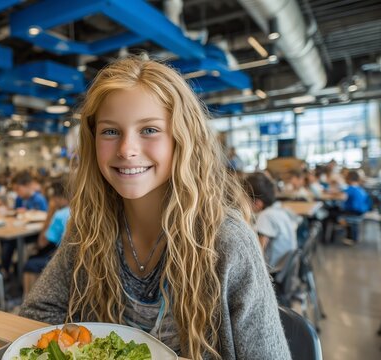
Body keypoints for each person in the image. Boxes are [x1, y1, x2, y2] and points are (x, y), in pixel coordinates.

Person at [20, 57, 289, 359]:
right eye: (110, 131)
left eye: (149, 130)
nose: (126, 149)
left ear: (182, 139)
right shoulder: (89, 228)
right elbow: (37, 314)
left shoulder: (227, 241)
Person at [23, 180, 71, 294]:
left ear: (56, 198)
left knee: (30, 264)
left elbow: (42, 243)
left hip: (62, 260)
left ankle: (28, 298)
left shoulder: (60, 215)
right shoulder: (77, 211)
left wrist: (50, 212)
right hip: (72, 258)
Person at [243, 173, 298, 268]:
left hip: (274, 270)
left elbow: (258, 253)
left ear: (257, 203)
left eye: (244, 199)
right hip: (286, 268)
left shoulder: (266, 216)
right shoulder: (279, 209)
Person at [1, 171, 48, 276]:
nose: (17, 193)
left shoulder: (39, 199)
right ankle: (6, 270)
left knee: (9, 243)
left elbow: (45, 218)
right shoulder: (19, 199)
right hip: (19, 230)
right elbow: (16, 212)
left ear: (28, 186)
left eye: (18, 189)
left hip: (34, 233)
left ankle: (18, 272)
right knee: (6, 242)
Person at [339, 170, 371, 245]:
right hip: (362, 211)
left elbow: (342, 198)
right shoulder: (360, 189)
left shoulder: (349, 189)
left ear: (349, 179)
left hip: (353, 212)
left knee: (336, 215)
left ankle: (350, 236)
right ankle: (351, 236)